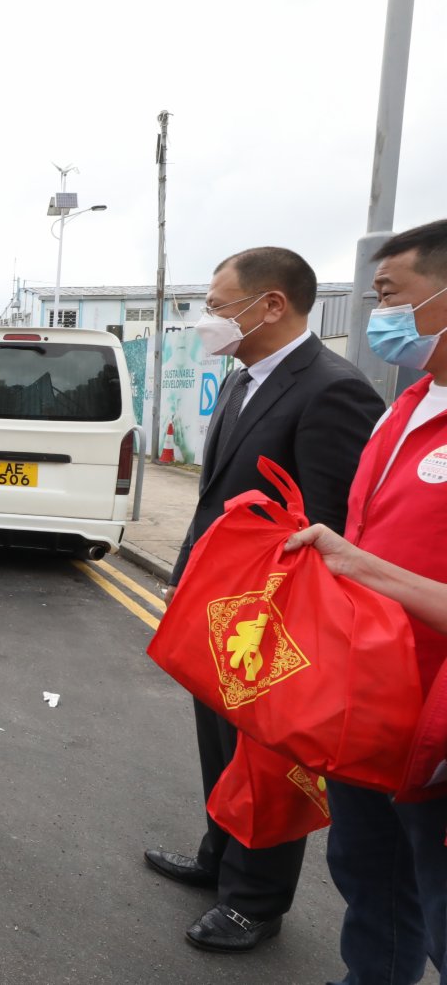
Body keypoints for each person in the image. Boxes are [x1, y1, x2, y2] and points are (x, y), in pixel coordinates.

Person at [141, 247, 385, 953]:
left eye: (219, 307)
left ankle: (255, 901)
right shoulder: (248, 379)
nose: (208, 321)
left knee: (270, 761)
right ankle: (219, 858)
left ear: (272, 304)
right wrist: (190, 576)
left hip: (274, 618)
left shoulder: (331, 389)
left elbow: (328, 521)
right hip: (220, 606)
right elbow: (216, 497)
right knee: (220, 749)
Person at [281, 218, 447, 985]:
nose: (378, 314)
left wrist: (359, 567)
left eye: (389, 295)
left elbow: (366, 557)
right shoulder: (403, 406)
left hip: (435, 721)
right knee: (368, 873)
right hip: (370, 696)